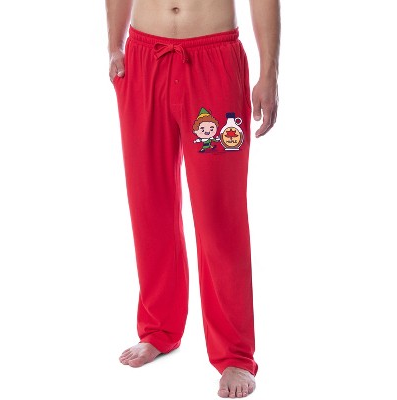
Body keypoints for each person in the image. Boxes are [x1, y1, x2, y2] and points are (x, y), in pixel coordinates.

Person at [105, 0, 280, 397]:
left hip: (213, 62)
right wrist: (114, 44)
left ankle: (235, 354)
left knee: (219, 215)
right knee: (149, 205)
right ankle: (159, 329)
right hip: (143, 58)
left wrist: (268, 73)